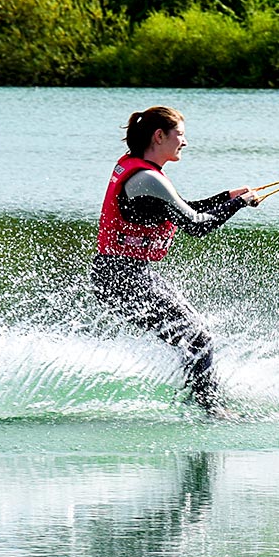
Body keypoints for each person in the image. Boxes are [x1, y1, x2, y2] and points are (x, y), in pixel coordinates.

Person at [90, 106, 255, 418]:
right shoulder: (148, 178)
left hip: (124, 274)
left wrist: (227, 198)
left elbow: (181, 210)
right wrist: (240, 204)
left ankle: (204, 402)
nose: (185, 142)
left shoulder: (143, 173)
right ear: (159, 135)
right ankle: (212, 410)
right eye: (180, 134)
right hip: (122, 277)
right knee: (197, 338)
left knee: (194, 337)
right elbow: (195, 225)